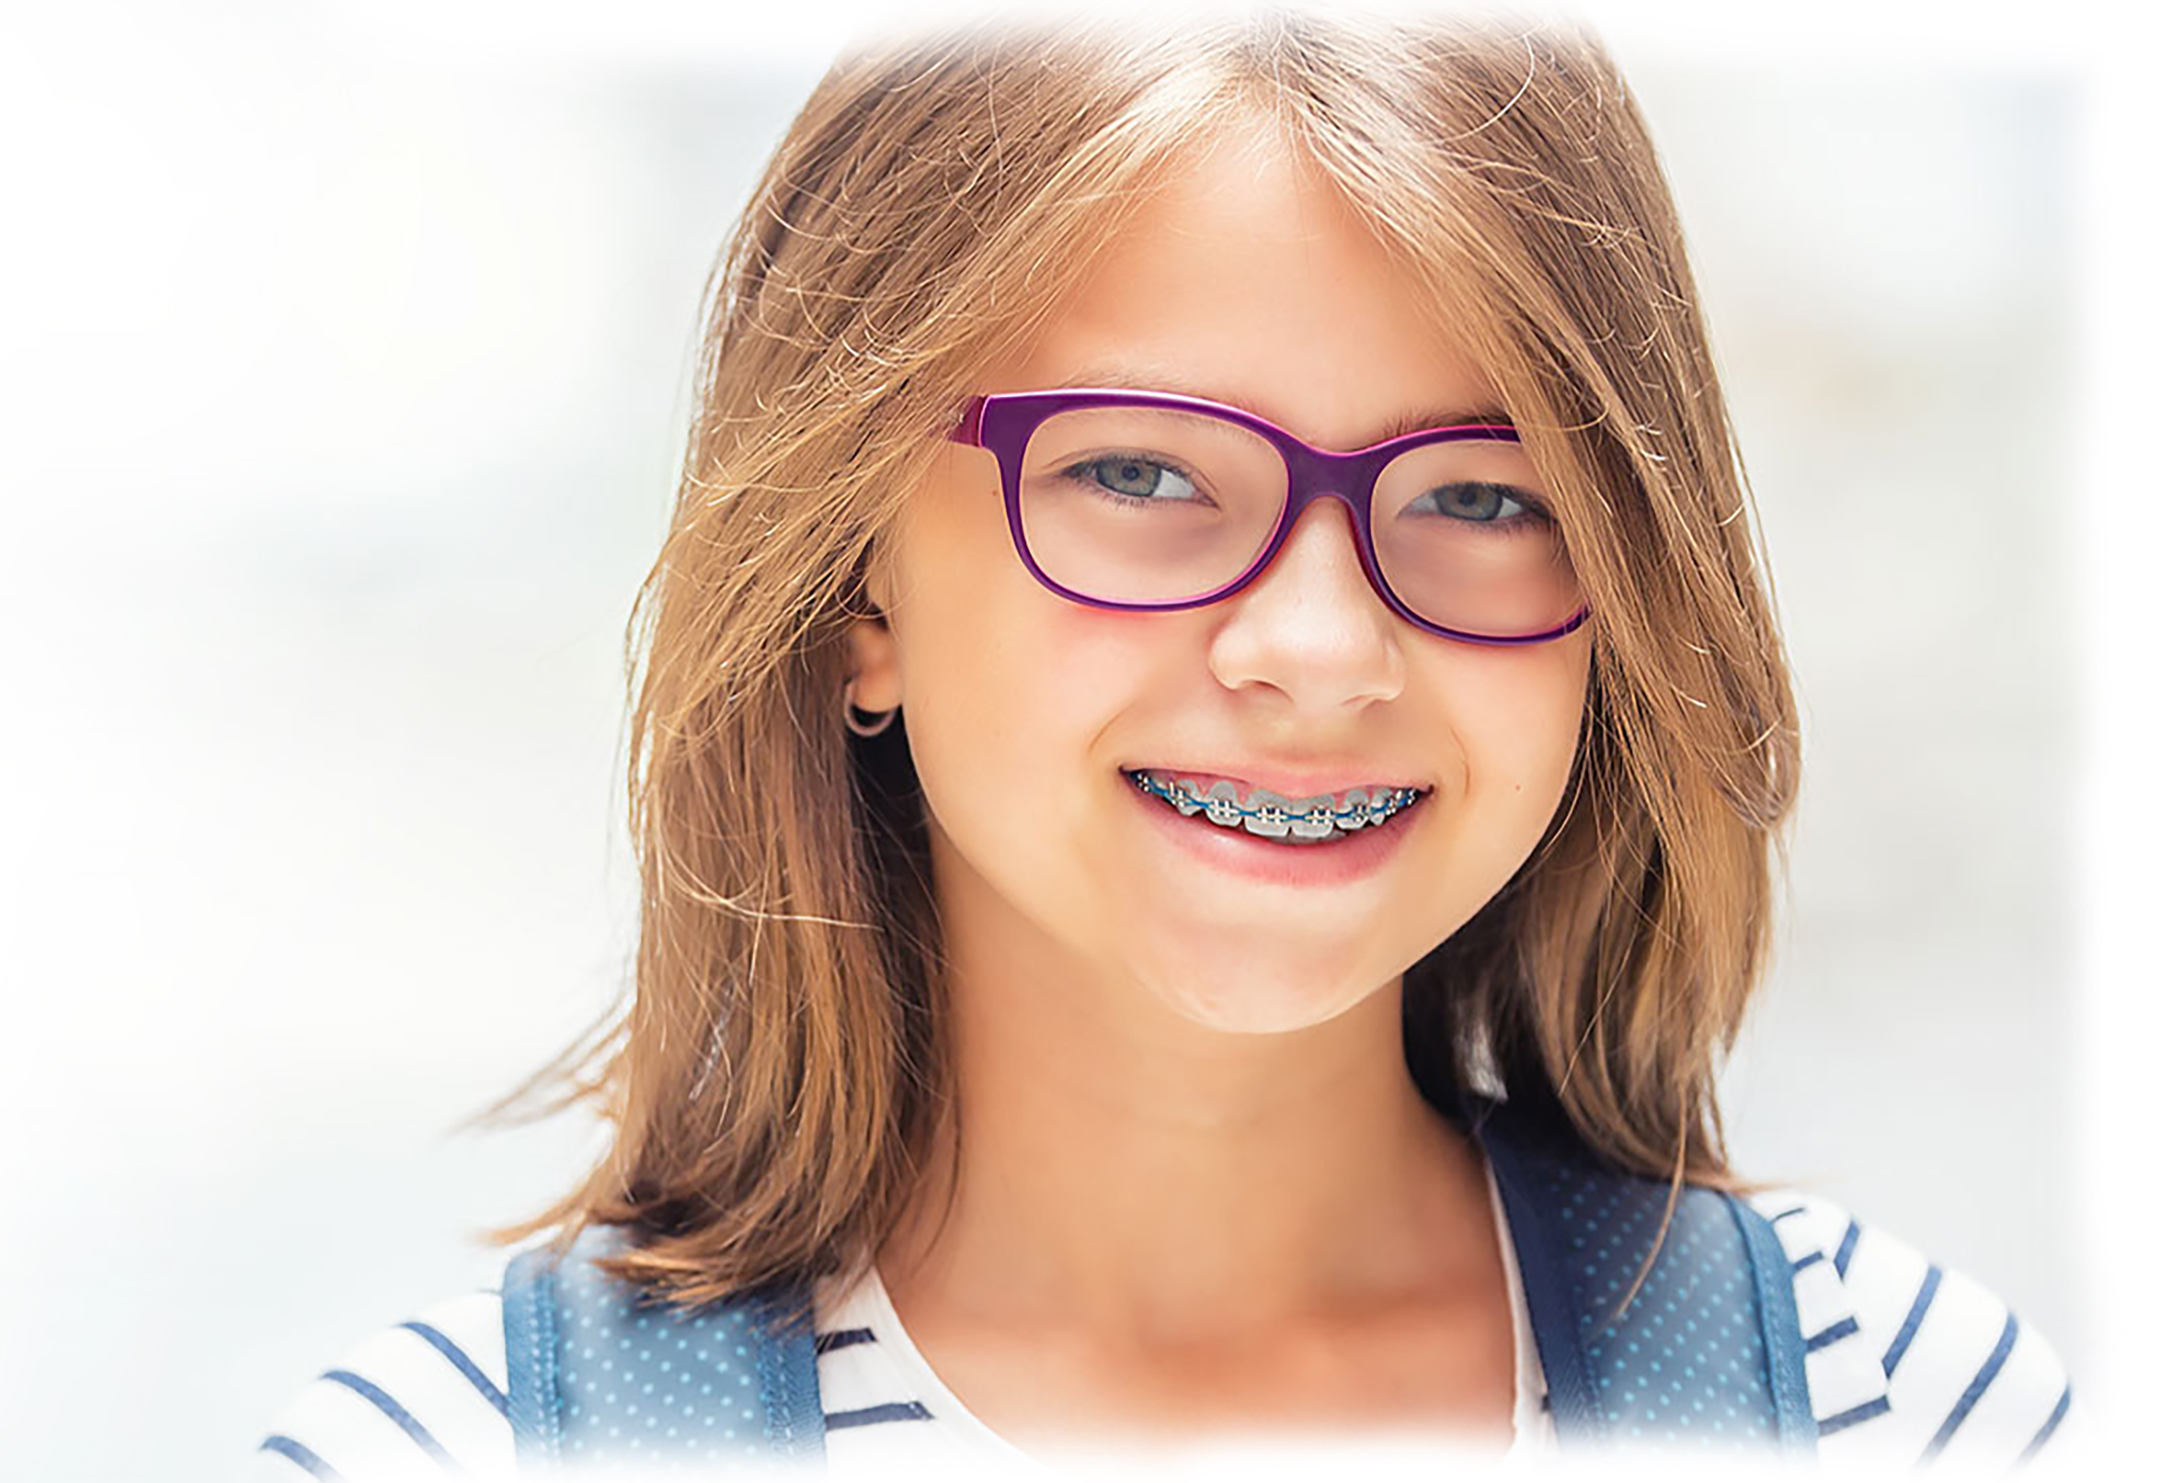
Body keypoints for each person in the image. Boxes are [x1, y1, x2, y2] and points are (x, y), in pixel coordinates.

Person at [251, 9, 2073, 1478]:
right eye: (1138, 473)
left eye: (1480, 493)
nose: (1319, 647)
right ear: (850, 591)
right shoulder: (444, 1453)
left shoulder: (1907, 1412)